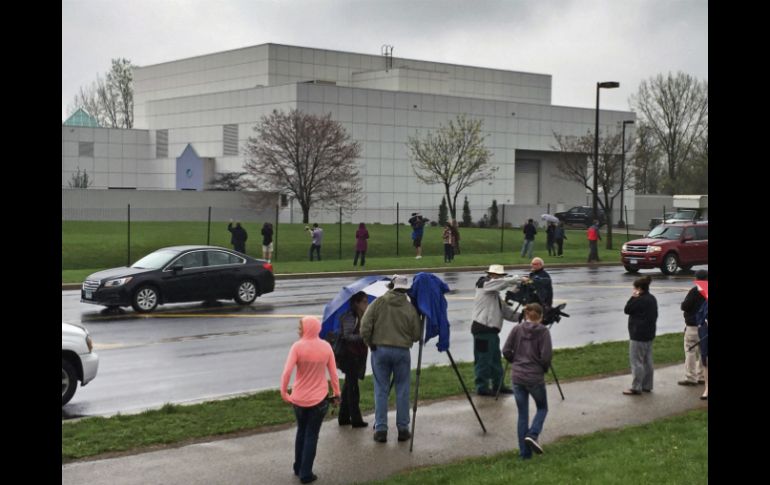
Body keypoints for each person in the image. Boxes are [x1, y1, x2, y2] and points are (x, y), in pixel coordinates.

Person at [280, 316, 341, 484]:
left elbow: (287, 372)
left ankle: (298, 466)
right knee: (311, 435)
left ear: (305, 329)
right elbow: (334, 374)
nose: (299, 330)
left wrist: (284, 392)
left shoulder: (297, 347)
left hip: (298, 399)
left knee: (301, 431)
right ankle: (306, 473)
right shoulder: (326, 347)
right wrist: (337, 393)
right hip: (319, 400)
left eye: (301, 327)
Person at [361, 275, 422, 443]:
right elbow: (417, 335)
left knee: (381, 389)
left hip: (379, 349)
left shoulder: (378, 303)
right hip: (402, 351)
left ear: (390, 286)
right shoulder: (410, 308)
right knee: (402, 389)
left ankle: (381, 429)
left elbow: (365, 327)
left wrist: (369, 342)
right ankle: (403, 428)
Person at [502, 302, 553, 460]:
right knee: (542, 408)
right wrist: (543, 369)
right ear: (541, 316)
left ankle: (524, 454)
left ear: (525, 315)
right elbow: (545, 356)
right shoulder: (543, 332)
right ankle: (533, 433)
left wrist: (515, 361)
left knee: (522, 414)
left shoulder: (517, 329)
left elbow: (506, 350)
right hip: (534, 376)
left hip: (517, 376)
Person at [471, 264, 525, 396]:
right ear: (490, 275)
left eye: (500, 276)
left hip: (492, 332)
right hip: (482, 329)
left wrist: (524, 316)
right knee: (483, 360)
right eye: (496, 276)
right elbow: (499, 283)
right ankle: (482, 387)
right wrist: (518, 279)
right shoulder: (483, 285)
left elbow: (507, 313)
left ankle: (498, 385)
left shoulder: (495, 296)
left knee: (495, 360)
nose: (498, 278)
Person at [337, 291, 369, 427]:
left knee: (348, 386)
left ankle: (343, 417)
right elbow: (347, 336)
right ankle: (356, 419)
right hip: (349, 356)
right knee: (353, 389)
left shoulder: (361, 316)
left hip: (356, 355)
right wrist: (363, 336)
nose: (366, 304)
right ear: (356, 303)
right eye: (364, 302)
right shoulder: (351, 316)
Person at [622, 276, 658, 395]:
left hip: (638, 334)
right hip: (649, 333)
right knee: (647, 360)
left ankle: (636, 387)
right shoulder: (652, 299)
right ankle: (647, 385)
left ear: (639, 289)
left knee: (636, 361)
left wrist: (633, 297)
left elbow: (627, 309)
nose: (633, 290)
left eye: (635, 288)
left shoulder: (639, 300)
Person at [678, 269, 707, 387]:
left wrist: (683, 304)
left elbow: (685, 306)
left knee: (690, 350)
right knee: (703, 352)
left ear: (697, 279)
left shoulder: (695, 291)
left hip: (693, 325)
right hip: (705, 327)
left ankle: (691, 377)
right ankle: (701, 376)